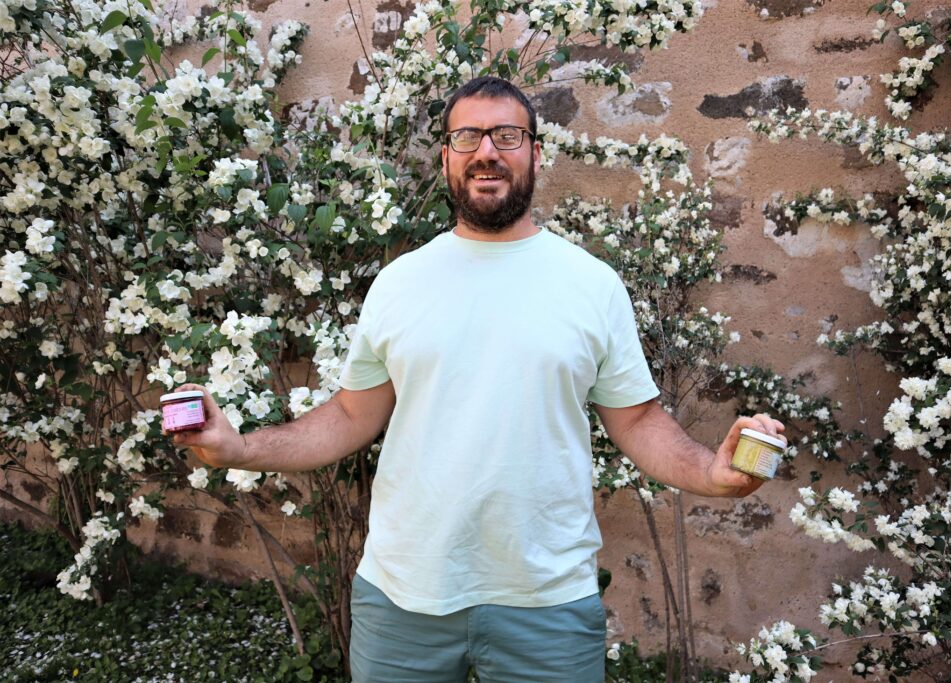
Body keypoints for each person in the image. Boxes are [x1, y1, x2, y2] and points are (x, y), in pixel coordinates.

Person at [170, 76, 786, 682]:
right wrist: (241, 449)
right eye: (467, 137)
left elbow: (639, 420)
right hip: (403, 595)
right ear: (446, 158)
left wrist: (710, 473)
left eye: (507, 136)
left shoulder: (592, 285)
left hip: (547, 601)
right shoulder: (400, 283)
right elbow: (352, 415)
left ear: (536, 155)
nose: (486, 151)